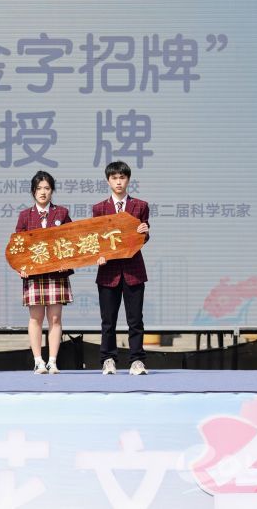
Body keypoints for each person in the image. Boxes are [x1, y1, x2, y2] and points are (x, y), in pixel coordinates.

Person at [93, 161, 150, 375]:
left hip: (134, 270)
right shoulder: (99, 208)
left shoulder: (140, 206)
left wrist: (144, 232)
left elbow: (143, 237)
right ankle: (108, 359)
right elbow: (96, 238)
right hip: (108, 272)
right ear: (108, 181)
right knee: (108, 320)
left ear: (128, 180)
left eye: (122, 177)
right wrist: (98, 255)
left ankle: (137, 360)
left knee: (135, 320)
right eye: (114, 178)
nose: (119, 182)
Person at [15, 171, 73, 374]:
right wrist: (21, 267)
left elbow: (73, 241)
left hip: (56, 274)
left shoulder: (62, 213)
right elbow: (18, 246)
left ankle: (53, 361)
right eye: (39, 188)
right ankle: (38, 360)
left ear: (52, 191)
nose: (43, 192)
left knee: (55, 318)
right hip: (34, 274)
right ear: (33, 191)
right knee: (36, 318)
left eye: (47, 188)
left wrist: (67, 262)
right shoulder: (25, 215)